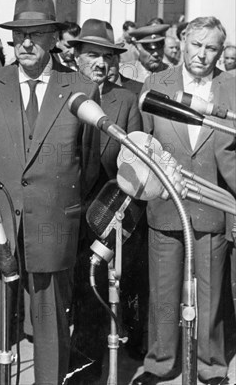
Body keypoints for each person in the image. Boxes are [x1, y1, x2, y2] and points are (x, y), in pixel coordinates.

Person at [0, 0, 100, 385]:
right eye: (19, 35)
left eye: (37, 34)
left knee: (50, 332)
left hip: (52, 227)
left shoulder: (80, 88)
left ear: (55, 38)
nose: (26, 43)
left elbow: (88, 164)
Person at [132, 16, 236, 385]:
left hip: (214, 207)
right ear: (183, 41)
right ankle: (160, 362)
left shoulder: (232, 87)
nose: (202, 55)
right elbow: (141, 141)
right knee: (162, 290)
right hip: (165, 204)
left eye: (211, 48)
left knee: (211, 293)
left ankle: (212, 366)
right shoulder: (156, 83)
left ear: (220, 52)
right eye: (196, 45)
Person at [66, 19, 143, 383]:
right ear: (75, 57)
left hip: (103, 216)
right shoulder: (59, 93)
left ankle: (85, 370)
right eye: (91, 55)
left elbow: (136, 165)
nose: (99, 63)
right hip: (59, 214)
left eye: (106, 56)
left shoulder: (125, 101)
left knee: (93, 296)